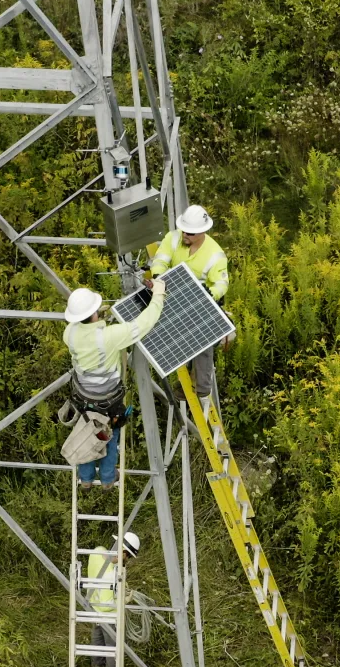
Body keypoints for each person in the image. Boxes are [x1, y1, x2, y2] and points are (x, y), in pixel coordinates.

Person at [63, 279, 166, 490]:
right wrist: (158, 295)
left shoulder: (69, 334)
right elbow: (143, 324)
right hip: (109, 400)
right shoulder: (109, 337)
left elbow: (84, 327)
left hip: (83, 397)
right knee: (109, 435)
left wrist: (97, 315)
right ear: (94, 313)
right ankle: (108, 479)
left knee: (87, 433)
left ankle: (86, 478)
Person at [149, 204, 229, 399]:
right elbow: (160, 260)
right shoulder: (173, 238)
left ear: (202, 232)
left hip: (201, 300)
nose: (186, 235)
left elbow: (222, 283)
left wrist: (210, 293)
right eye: (184, 230)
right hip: (172, 293)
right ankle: (175, 372)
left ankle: (201, 387)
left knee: (202, 337)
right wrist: (159, 277)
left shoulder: (215, 254)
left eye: (191, 233)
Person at [87, 531, 140, 667]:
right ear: (123, 553)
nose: (127, 560)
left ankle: (96, 666)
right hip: (107, 615)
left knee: (97, 637)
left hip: (93, 606)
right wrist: (123, 600)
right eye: (128, 556)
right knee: (112, 645)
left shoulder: (97, 552)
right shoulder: (110, 575)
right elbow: (106, 605)